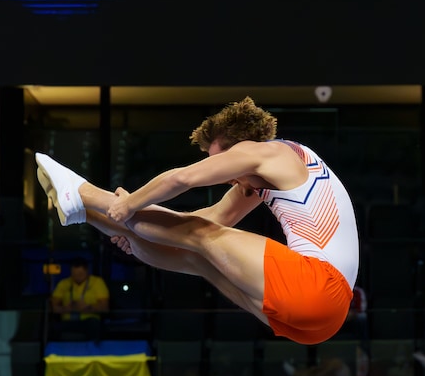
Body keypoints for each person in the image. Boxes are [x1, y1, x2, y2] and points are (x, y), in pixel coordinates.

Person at [34, 97, 359, 345]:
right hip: (320, 323)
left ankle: (86, 193)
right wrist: (133, 230)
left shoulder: (269, 153)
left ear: (239, 146)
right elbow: (206, 219)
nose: (223, 176)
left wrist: (127, 204)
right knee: (199, 257)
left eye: (219, 163)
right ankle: (84, 212)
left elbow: (184, 178)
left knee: (200, 237)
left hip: (319, 286)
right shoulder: (260, 177)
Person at [50, 256, 110, 323]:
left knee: (93, 324)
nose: (77, 277)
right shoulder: (63, 283)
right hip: (67, 321)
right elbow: (53, 307)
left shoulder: (97, 282)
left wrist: (88, 307)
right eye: (74, 274)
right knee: (56, 326)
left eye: (80, 274)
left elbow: (105, 307)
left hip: (89, 321)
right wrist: (66, 309)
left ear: (87, 271)